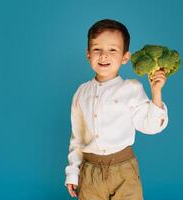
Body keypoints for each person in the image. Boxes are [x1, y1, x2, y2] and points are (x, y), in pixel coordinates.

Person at [65, 19, 169, 199]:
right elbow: (77, 139)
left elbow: (150, 127)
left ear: (125, 57)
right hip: (90, 173)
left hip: (124, 171)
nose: (104, 55)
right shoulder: (81, 93)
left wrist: (156, 93)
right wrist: (72, 173)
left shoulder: (131, 88)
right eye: (97, 49)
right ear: (88, 54)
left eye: (112, 50)